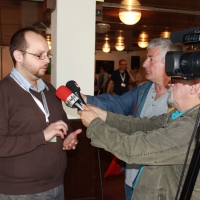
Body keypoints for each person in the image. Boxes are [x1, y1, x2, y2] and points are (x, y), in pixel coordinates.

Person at [81, 38, 183, 200]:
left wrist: (95, 124)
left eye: (151, 59)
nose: (144, 64)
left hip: (159, 185)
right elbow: (117, 104)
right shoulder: (143, 90)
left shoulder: (181, 100)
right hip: (133, 176)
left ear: (169, 63)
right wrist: (86, 99)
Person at [76, 74, 200, 199]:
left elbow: (133, 149)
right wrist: (103, 116)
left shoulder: (190, 127)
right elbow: (143, 125)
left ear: (194, 87)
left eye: (175, 81)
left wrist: (94, 125)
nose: (170, 84)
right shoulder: (180, 114)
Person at [0, 28, 82, 200]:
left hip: (57, 185)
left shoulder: (51, 90)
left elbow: (61, 126)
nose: (46, 60)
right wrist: (42, 136)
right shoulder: (3, 92)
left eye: (47, 55)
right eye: (39, 55)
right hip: (20, 192)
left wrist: (67, 137)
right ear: (18, 56)